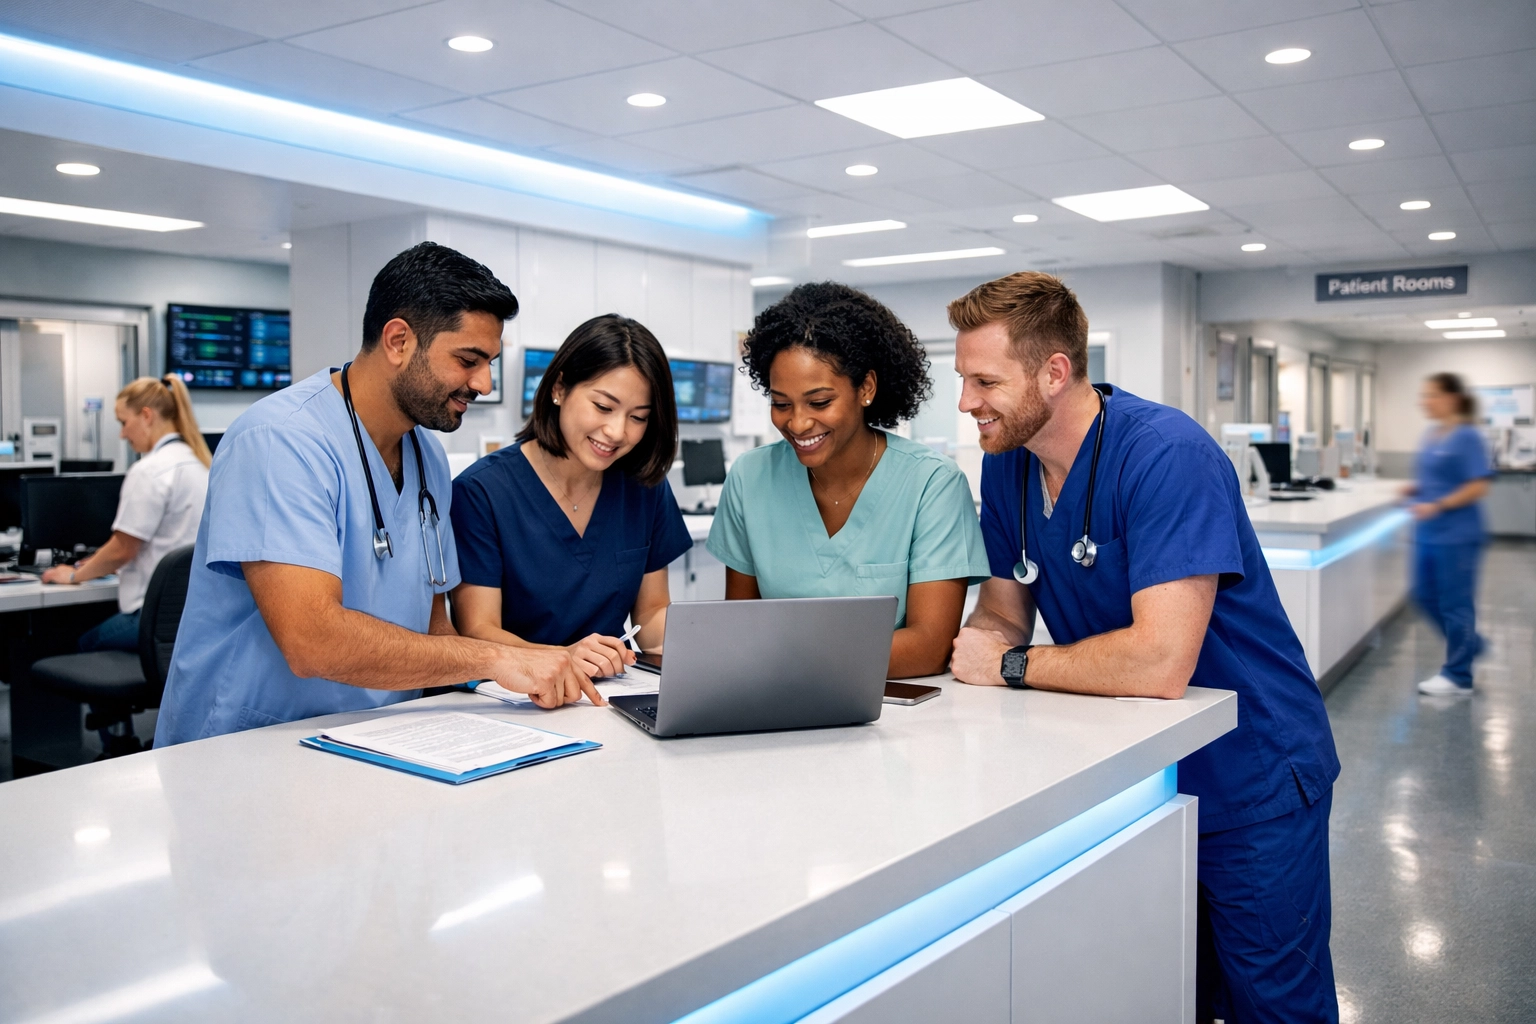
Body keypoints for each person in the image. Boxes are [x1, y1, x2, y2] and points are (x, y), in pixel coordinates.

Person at [945, 272, 1341, 1023]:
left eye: (984, 380)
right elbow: (1003, 611)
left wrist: (1010, 666)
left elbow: (1161, 662)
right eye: (963, 379)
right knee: (1169, 992)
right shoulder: (1008, 465)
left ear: (1054, 373)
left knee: (1274, 1006)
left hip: (1251, 772)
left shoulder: (1166, 455)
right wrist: (983, 647)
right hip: (1141, 777)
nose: (966, 402)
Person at [155, 242, 602, 747]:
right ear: (397, 341)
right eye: (469, 360)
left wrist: (542, 667)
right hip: (250, 746)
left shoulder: (427, 457)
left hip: (378, 741)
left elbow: (434, 626)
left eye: (489, 362)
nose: (484, 382)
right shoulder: (281, 442)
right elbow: (312, 642)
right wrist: (497, 658)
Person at [707, 282, 989, 678]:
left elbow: (929, 647)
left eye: (820, 402)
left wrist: (785, 657)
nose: (798, 423)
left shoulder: (931, 483)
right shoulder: (750, 478)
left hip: (894, 718)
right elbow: (740, 626)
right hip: (775, 702)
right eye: (780, 404)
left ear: (866, 388)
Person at [450, 314, 691, 677]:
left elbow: (652, 612)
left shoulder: (644, 488)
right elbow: (478, 631)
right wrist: (562, 657)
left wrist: (697, 641)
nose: (616, 431)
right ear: (559, 388)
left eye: (638, 417)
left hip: (608, 695)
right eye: (603, 407)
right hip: (514, 699)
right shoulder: (483, 492)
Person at [41, 375, 211, 650]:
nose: (122, 434)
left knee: (76, 644)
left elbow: (123, 549)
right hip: (194, 617)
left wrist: (73, 575)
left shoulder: (150, 470)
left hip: (151, 618)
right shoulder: (202, 464)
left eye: (123, 422)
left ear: (146, 415)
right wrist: (96, 562)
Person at [1404, 372, 1493, 695]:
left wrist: (1438, 504)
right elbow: (1435, 478)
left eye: (1431, 395)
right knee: (1423, 595)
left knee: (1456, 604)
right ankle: (1473, 645)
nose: (1424, 402)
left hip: (1457, 535)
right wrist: (1414, 489)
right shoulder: (1431, 434)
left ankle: (1459, 675)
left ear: (1451, 398)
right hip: (1428, 533)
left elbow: (1478, 485)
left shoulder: (1467, 437)